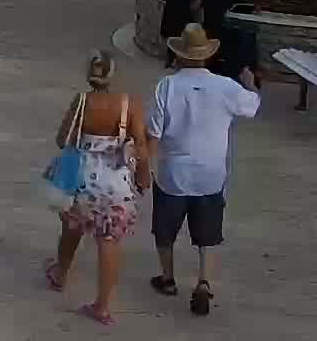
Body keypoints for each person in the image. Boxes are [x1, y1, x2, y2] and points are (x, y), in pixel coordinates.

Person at [147, 24, 261, 317]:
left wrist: (142, 164)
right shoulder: (225, 87)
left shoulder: (167, 86)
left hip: (173, 173)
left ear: (179, 55)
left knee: (164, 230)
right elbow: (252, 107)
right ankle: (204, 282)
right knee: (208, 234)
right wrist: (250, 82)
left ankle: (168, 279)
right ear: (207, 55)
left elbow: (154, 132)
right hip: (211, 173)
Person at [44, 51, 148, 326]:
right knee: (109, 240)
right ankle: (102, 305)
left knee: (72, 227)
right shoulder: (129, 104)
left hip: (83, 178)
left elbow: (61, 139)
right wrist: (143, 175)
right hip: (116, 181)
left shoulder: (82, 101)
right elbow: (141, 145)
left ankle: (60, 273)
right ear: (115, 76)